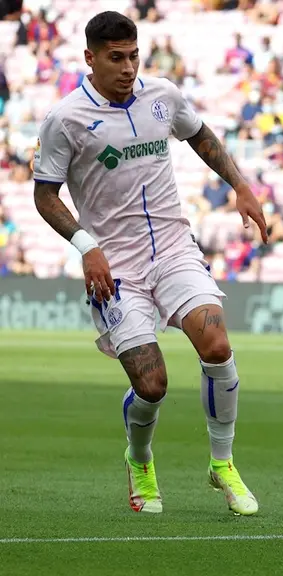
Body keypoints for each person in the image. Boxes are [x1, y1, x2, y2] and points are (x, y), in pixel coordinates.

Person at [32, 11, 267, 516]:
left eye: (133, 55)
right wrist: (85, 246)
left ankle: (221, 464)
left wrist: (241, 185)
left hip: (173, 249)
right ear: (90, 58)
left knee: (218, 344)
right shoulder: (65, 119)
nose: (128, 67)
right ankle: (139, 458)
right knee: (152, 384)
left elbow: (201, 136)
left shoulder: (162, 97)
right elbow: (46, 196)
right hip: (115, 267)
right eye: (116, 58)